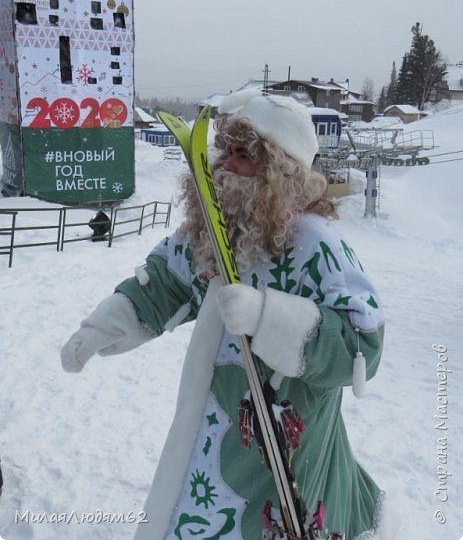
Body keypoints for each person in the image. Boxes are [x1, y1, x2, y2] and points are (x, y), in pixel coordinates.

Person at [61, 90, 398, 540]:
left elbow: (362, 345)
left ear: (280, 170)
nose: (225, 166)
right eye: (226, 151)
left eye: (243, 155)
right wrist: (106, 325)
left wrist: (269, 318)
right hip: (212, 430)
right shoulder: (221, 228)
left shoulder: (318, 248)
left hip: (286, 446)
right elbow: (168, 281)